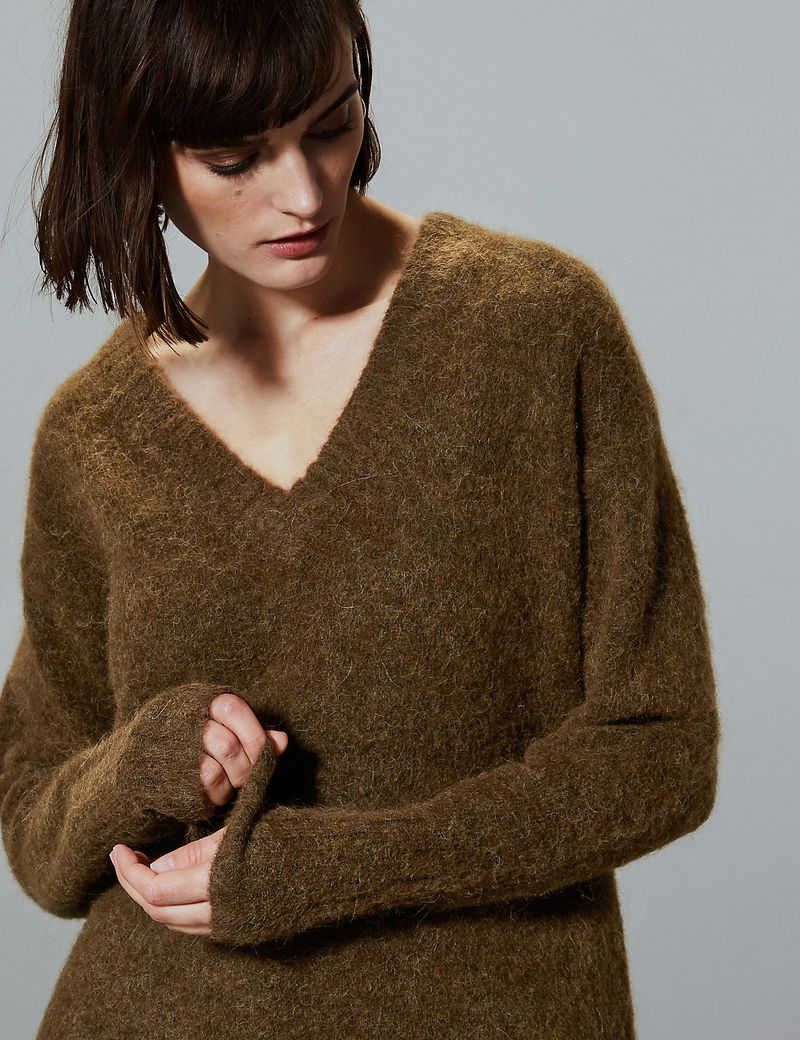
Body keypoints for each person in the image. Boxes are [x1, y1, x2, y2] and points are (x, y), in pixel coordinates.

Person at [0, 2, 720, 1038]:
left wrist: (340, 867)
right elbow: (34, 823)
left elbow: (659, 750)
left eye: (330, 124)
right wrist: (145, 761)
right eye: (234, 159)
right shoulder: (93, 437)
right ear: (134, 153)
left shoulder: (530, 331)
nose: (303, 192)